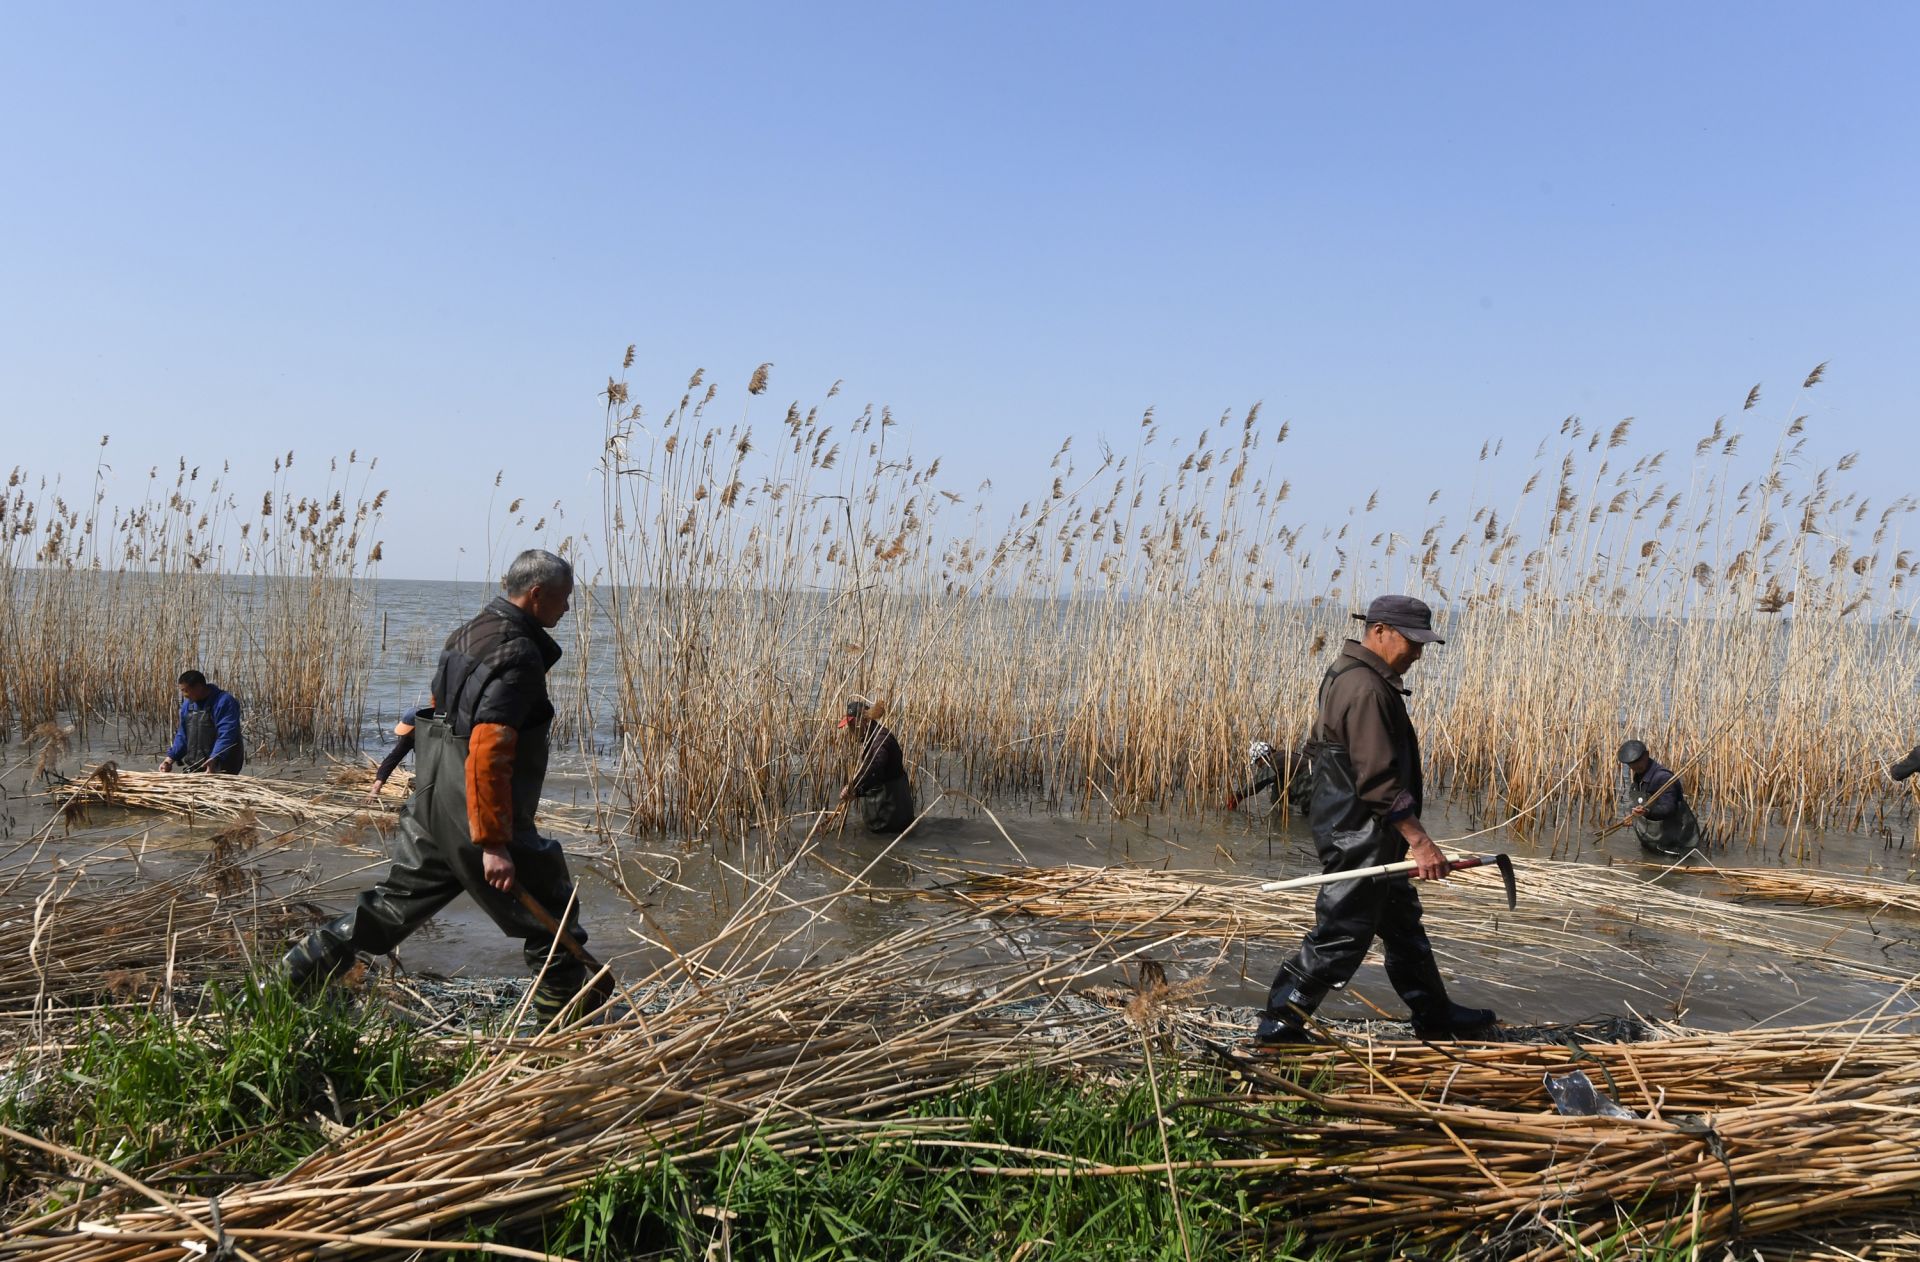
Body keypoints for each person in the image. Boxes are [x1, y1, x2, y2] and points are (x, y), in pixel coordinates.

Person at [281, 550, 604, 1026]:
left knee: (390, 909)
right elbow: (489, 748)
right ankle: (565, 1033)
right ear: (536, 595)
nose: (567, 609)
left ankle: (288, 980)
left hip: (432, 801)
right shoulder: (518, 652)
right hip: (478, 810)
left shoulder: (469, 632)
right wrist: (494, 843)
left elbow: (435, 707)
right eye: (563, 599)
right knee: (553, 918)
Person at [1257, 595, 1495, 1045]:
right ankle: (1279, 1024)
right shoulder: (1366, 687)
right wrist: (1422, 843)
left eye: (1424, 643)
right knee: (1341, 933)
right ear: (1379, 630)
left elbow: (1318, 753)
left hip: (1359, 829)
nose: (1419, 653)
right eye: (1412, 641)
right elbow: (1379, 782)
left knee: (1402, 925)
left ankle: (1434, 1012)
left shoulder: (1348, 674)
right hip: (1359, 834)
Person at [838, 699, 915, 834]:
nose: (850, 730)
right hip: (888, 814)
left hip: (892, 815)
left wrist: (854, 788)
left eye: (852, 724)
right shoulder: (871, 736)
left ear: (864, 721)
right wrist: (855, 790)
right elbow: (873, 772)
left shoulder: (881, 739)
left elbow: (875, 766)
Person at [1617, 739, 1705, 856]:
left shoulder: (1663, 777)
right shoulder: (1639, 776)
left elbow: (1668, 808)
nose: (1634, 766)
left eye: (1637, 761)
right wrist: (1634, 819)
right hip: (1657, 838)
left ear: (1647, 755)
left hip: (1676, 840)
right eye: (1631, 764)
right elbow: (1643, 803)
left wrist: (1646, 811)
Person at [160, 670, 245, 774]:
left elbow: (227, 734)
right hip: (196, 765)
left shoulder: (224, 702)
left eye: (185, 690)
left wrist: (215, 758)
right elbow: (183, 735)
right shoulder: (188, 705)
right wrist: (170, 759)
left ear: (199, 687)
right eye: (182, 691)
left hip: (221, 765)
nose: (184, 695)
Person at [1227, 740, 1313, 813]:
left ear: (1262, 758)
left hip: (1312, 786)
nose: (1258, 766)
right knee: (1278, 791)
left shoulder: (1275, 761)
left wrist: (1239, 795)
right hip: (1319, 782)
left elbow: (1258, 782)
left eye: (1257, 762)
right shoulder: (1281, 755)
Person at [366, 706, 431, 800]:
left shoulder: (436, 736)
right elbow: (393, 758)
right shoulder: (409, 737)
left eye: (410, 731)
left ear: (420, 727)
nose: (407, 734)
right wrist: (377, 784)